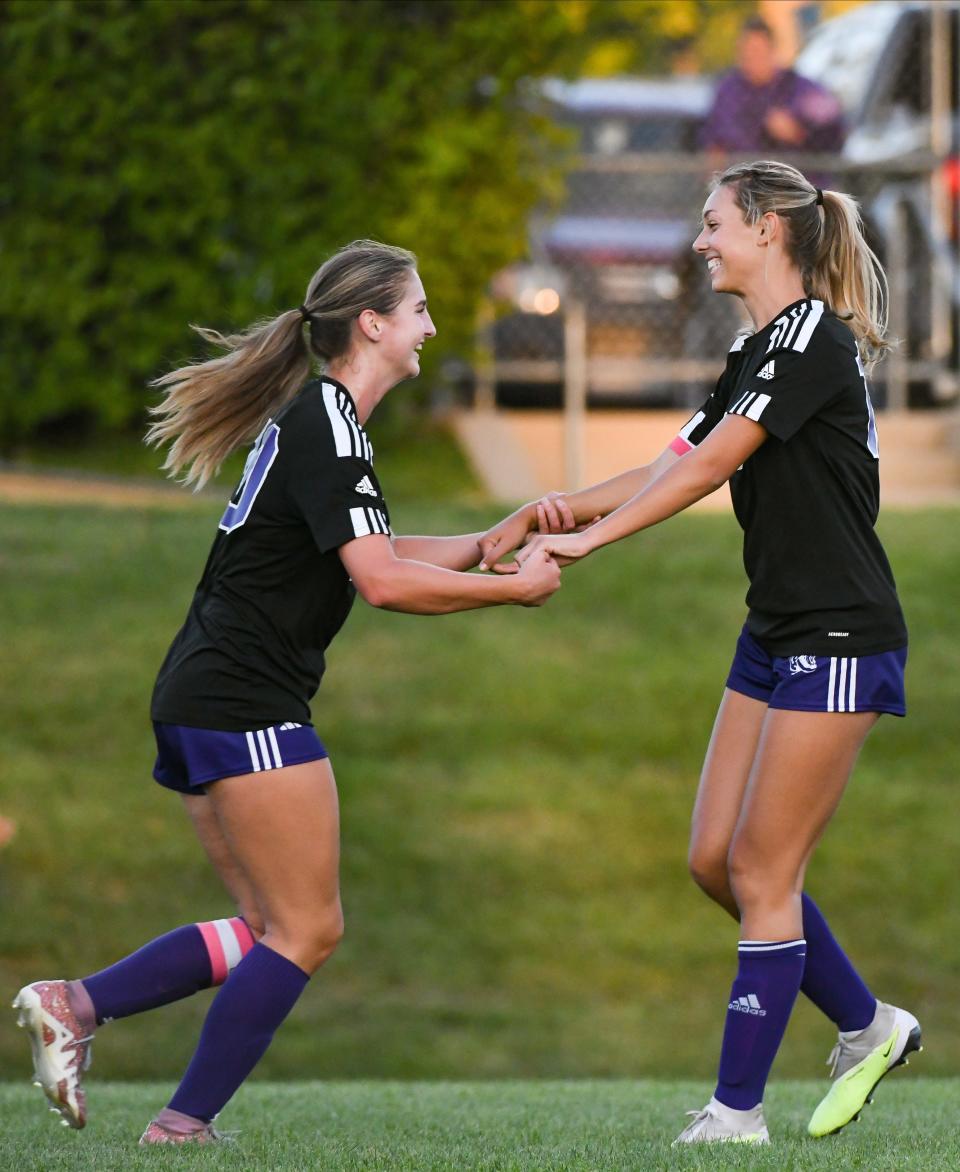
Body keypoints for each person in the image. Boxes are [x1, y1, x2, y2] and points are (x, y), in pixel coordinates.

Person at [12, 240, 561, 1145]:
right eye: (418, 309)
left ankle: (76, 1004)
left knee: (269, 924)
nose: (430, 327)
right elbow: (383, 584)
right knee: (308, 928)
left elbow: (372, 555)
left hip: (204, 694)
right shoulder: (330, 423)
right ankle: (181, 1128)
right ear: (373, 323)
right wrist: (514, 589)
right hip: (244, 701)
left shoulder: (326, 420)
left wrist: (486, 539)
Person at [478, 161, 921, 1145]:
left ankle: (737, 1112)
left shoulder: (811, 338)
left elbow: (719, 463)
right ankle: (868, 1022)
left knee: (764, 867)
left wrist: (592, 542)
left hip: (840, 632)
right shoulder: (758, 348)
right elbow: (672, 460)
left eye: (713, 222)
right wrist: (547, 509)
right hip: (776, 632)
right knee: (716, 860)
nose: (699, 240)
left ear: (767, 229)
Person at [701, 17, 845, 161]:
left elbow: (833, 128)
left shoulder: (798, 87)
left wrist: (797, 131)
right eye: (745, 52)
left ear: (772, 51)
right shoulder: (728, 91)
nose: (751, 58)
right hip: (745, 177)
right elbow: (714, 140)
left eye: (757, 51)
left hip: (796, 176)